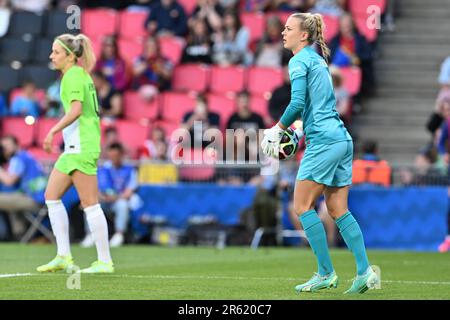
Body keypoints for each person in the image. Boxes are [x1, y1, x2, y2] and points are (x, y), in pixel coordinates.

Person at [261, 13, 378, 294]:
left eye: (288, 28)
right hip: (341, 139)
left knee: (301, 206)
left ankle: (326, 273)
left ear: (303, 35)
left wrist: (277, 128)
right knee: (338, 209)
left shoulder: (298, 60)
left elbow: (298, 101)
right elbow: (317, 107)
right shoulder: (318, 60)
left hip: (324, 142)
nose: (283, 32)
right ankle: (365, 273)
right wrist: (299, 131)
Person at [36, 33, 114, 274]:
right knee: (51, 196)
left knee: (90, 204)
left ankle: (104, 261)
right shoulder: (81, 74)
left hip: (81, 146)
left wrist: (52, 131)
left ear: (69, 56)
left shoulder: (71, 76)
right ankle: (63, 256)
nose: (51, 56)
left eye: (56, 52)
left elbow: (77, 110)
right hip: (75, 147)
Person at [81, 142, 138, 248]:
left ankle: (119, 234)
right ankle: (90, 235)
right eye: (111, 156)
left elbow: (128, 192)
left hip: (117, 201)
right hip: (103, 201)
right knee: (90, 205)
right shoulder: (103, 170)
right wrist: (100, 196)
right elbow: (95, 188)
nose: (113, 158)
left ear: (121, 155)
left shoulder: (130, 170)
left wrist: (115, 197)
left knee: (123, 205)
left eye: (116, 156)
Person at [0, 135, 47, 239]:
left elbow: (9, 181)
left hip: (35, 199)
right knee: (12, 200)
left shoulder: (18, 158)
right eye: (3, 147)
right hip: (39, 197)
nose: (5, 149)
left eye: (7, 146)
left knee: (7, 199)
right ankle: (19, 234)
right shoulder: (26, 155)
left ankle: (13, 235)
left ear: (17, 145)